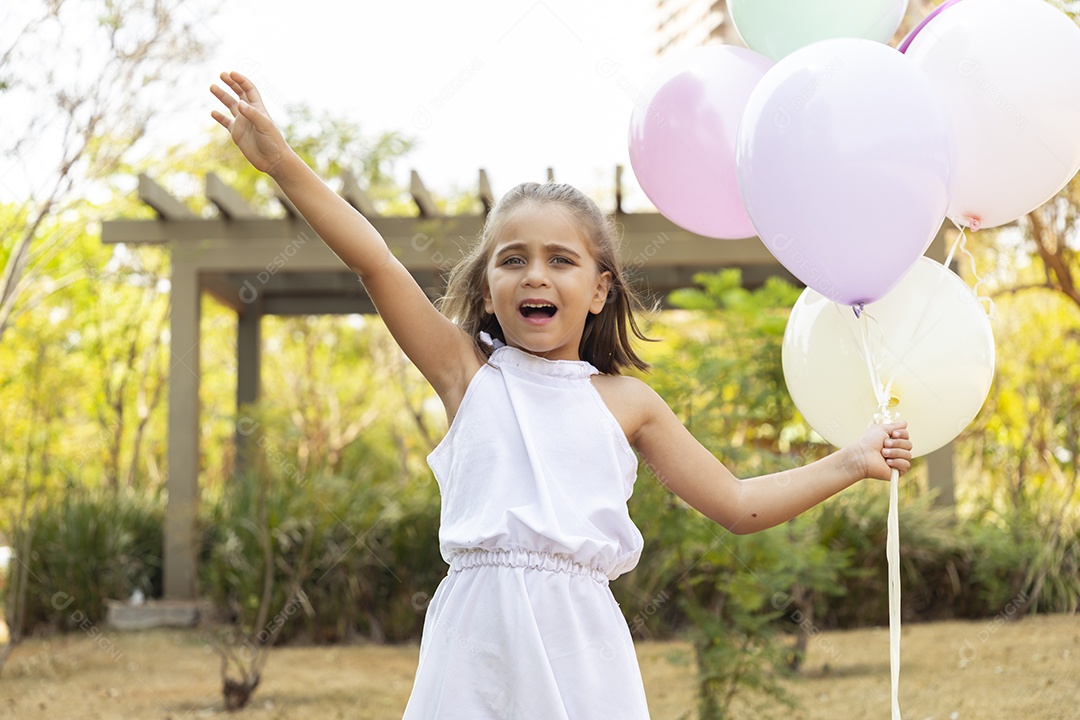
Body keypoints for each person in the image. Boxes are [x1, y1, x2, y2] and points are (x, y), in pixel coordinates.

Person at [210, 70, 912, 719]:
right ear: (486, 292)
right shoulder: (469, 373)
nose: (535, 275)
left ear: (600, 288)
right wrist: (281, 163)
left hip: (583, 655)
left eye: (561, 260)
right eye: (512, 261)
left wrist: (851, 461)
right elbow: (374, 259)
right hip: (474, 652)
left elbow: (736, 504)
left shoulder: (628, 403)